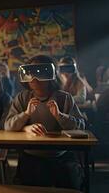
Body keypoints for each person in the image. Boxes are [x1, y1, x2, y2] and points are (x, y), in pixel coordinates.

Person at [5, 55, 85, 189]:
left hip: (60, 156)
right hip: (31, 156)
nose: (34, 77)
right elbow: (8, 125)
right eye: (30, 72)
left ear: (51, 75)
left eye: (40, 72)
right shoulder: (23, 98)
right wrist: (26, 117)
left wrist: (60, 116)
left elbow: (80, 126)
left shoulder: (64, 98)